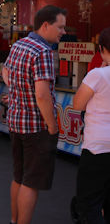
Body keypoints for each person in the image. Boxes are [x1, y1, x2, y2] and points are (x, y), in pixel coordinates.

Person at [1, 5, 66, 224]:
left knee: (19, 177)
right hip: (36, 127)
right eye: (60, 27)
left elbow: (5, 70)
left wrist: (18, 89)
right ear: (46, 26)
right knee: (31, 183)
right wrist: (52, 125)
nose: (63, 32)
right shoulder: (43, 51)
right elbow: (42, 95)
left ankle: (14, 219)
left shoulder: (20, 44)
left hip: (16, 122)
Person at [72, 27, 110, 223]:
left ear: (102, 49)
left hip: (98, 147)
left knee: (89, 202)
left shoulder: (98, 75)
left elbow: (77, 104)